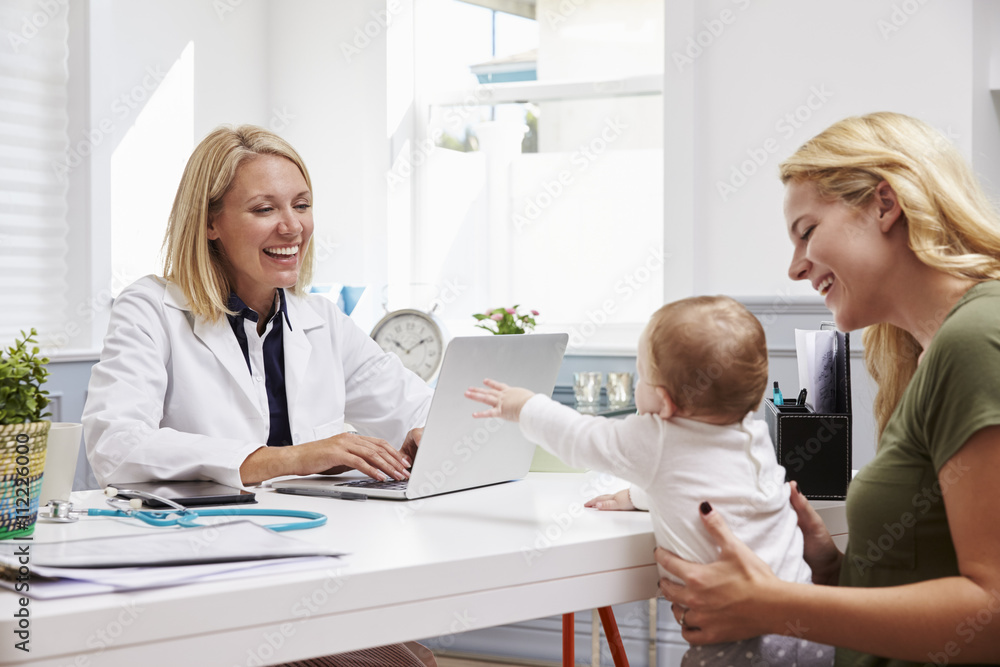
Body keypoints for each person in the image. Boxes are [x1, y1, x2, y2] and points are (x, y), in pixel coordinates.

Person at [82, 125, 436, 667]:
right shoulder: (151, 308)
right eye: (264, 208)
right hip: (201, 576)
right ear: (210, 222)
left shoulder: (319, 319)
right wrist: (286, 459)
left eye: (301, 204)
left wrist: (425, 432)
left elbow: (413, 404)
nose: (292, 226)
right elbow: (116, 445)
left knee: (410, 658)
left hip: (310, 563)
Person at [654, 112, 1000, 666]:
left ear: (885, 205)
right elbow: (935, 570)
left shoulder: (978, 338)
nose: (795, 268)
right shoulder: (931, 353)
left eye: (807, 231)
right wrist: (835, 568)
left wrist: (772, 605)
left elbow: (992, 614)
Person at [465, 296, 834, 667]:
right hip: (812, 625)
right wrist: (638, 496)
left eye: (640, 373)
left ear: (664, 401)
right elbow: (698, 484)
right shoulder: (752, 434)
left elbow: (580, 439)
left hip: (738, 646)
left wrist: (525, 405)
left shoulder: (658, 436)